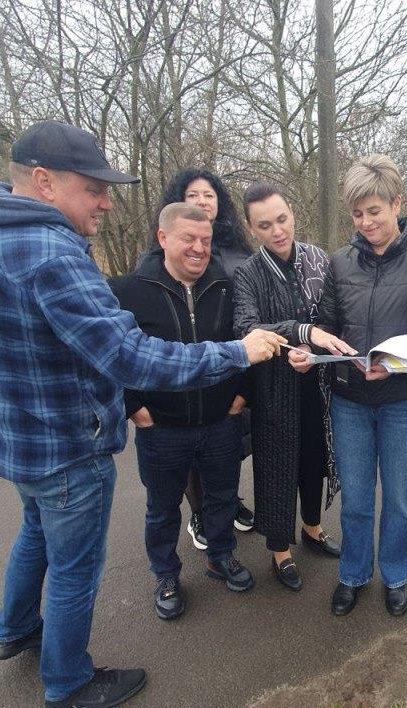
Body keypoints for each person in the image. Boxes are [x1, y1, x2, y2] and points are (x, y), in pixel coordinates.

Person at [0, 121, 284, 708]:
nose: (107, 201)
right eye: (94, 188)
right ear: (44, 182)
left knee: (36, 533)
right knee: (73, 569)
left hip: (13, 442)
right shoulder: (50, 253)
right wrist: (237, 354)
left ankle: (14, 629)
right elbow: (130, 355)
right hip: (66, 446)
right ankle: (66, 684)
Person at [291, 155, 407, 617]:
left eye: (374, 212)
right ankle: (354, 575)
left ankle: (396, 575)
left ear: (397, 204)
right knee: (358, 498)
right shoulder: (340, 263)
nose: (366, 223)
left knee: (399, 498)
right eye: (357, 214)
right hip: (350, 400)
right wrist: (311, 353)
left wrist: (396, 365)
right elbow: (324, 324)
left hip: (403, 401)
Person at [109, 203, 256, 619]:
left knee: (223, 497)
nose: (198, 248)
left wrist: (241, 395)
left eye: (206, 241)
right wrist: (133, 407)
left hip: (219, 423)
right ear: (162, 239)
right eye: (188, 239)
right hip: (161, 428)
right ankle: (166, 574)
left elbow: (248, 340)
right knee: (162, 507)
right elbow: (107, 355)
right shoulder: (127, 292)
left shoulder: (227, 287)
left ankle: (221, 555)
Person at [233, 184, 355, 589]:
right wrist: (301, 334)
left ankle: (313, 528)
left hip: (319, 383)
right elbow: (247, 327)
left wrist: (319, 339)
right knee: (277, 466)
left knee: (314, 461)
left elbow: (333, 317)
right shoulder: (247, 274)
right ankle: (280, 550)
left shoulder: (319, 259)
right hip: (274, 387)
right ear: (253, 230)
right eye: (264, 225)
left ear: (293, 214)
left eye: (281, 219)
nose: (277, 230)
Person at [150, 169, 258, 545]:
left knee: (229, 445)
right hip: (182, 367)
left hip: (234, 363)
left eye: (209, 195)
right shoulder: (156, 256)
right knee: (192, 452)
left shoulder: (239, 249)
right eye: (193, 195)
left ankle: (227, 503)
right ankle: (200, 514)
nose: (202, 201)